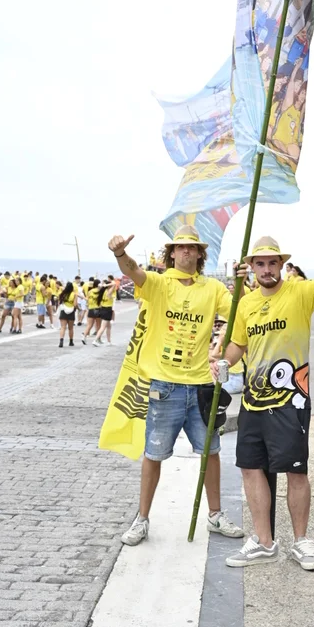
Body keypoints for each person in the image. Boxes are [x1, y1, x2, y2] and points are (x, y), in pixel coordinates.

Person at [213, 233, 314, 571]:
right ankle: (264, 542)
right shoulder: (245, 304)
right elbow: (238, 345)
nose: (266, 269)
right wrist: (224, 362)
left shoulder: (299, 292)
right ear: (252, 268)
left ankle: (301, 542)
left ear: (281, 265)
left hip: (291, 402)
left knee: (295, 470)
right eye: (260, 263)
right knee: (250, 468)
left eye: (272, 263)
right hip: (252, 402)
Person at [108, 227, 244, 547]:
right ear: (171, 253)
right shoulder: (159, 283)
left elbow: (240, 312)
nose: (185, 251)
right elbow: (134, 271)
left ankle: (215, 515)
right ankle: (142, 519)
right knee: (153, 454)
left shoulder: (212, 288)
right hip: (164, 387)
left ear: (199, 254)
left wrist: (241, 283)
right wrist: (120, 253)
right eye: (180, 247)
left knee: (211, 452)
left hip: (201, 386)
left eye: (191, 248)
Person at [92, 279, 118, 346]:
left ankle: (109, 342)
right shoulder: (109, 291)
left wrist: (105, 285)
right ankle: (95, 340)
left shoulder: (104, 291)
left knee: (109, 327)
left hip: (104, 309)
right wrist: (106, 285)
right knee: (103, 327)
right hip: (107, 310)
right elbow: (114, 283)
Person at [58, 282, 78, 347]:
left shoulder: (63, 294)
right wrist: (78, 308)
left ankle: (61, 341)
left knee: (63, 327)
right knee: (71, 328)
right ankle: (71, 342)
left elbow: (59, 303)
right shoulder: (74, 294)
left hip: (63, 311)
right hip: (71, 311)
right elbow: (75, 304)